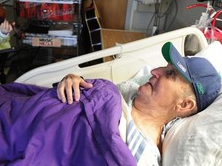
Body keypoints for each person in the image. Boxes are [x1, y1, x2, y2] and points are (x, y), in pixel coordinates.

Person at [56, 42, 221, 166]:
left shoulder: (144, 156)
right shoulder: (127, 91)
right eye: (164, 67)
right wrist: (74, 81)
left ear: (184, 105)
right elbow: (90, 98)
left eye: (170, 73)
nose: (154, 71)